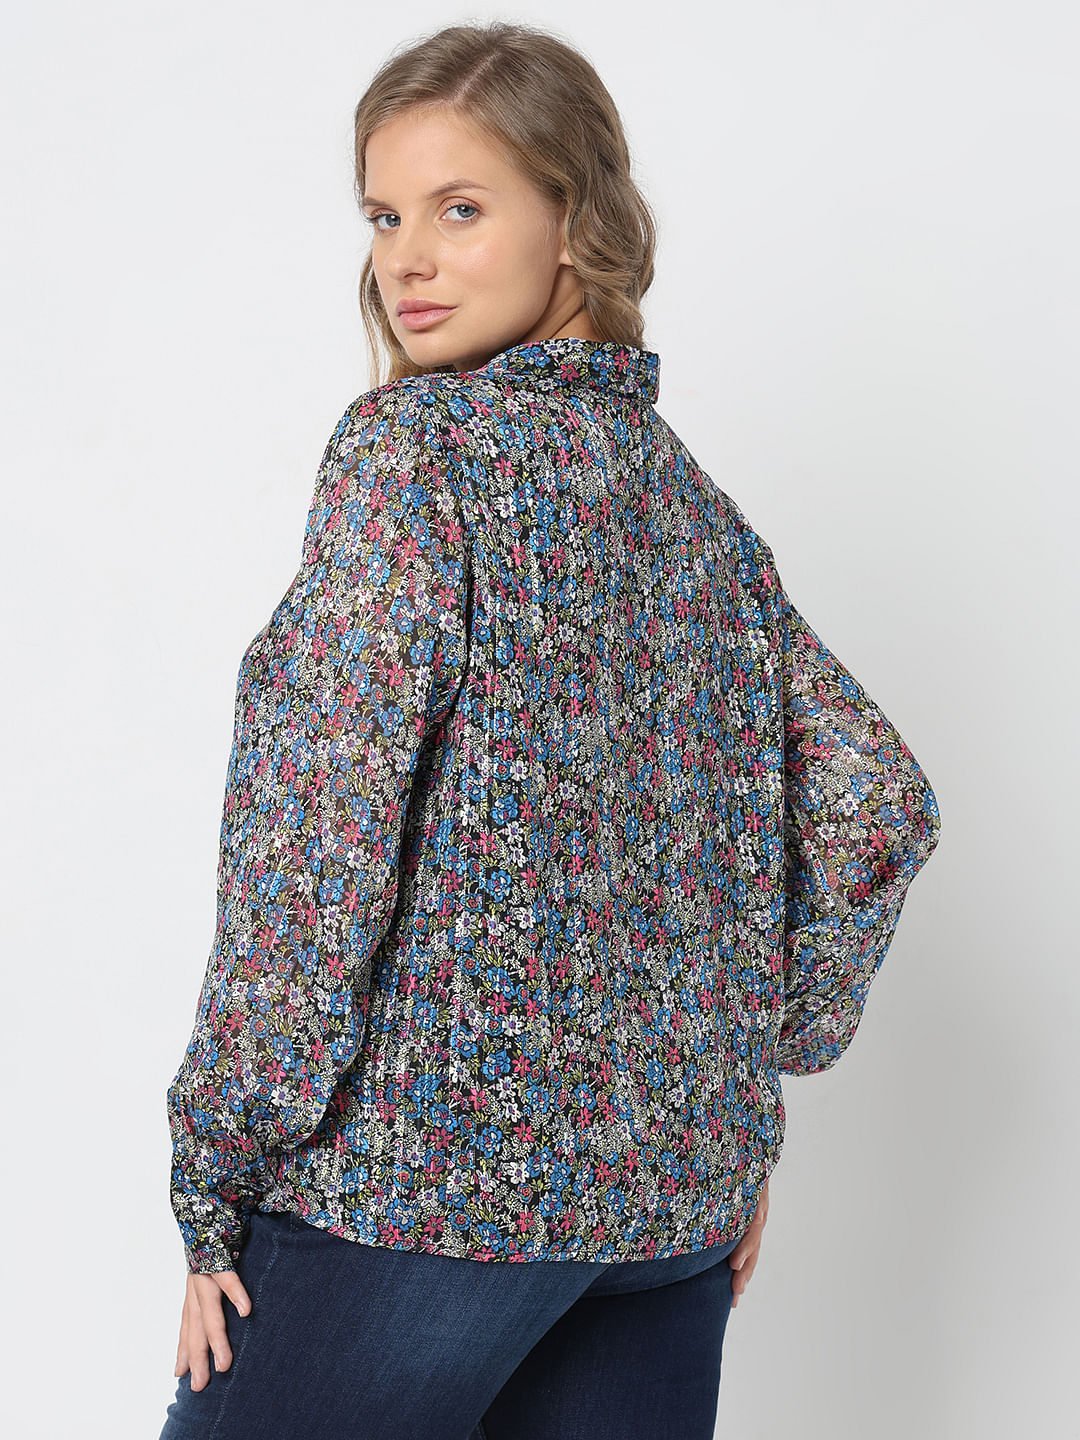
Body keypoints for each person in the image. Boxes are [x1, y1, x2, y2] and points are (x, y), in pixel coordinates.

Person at [159, 20, 942, 1440]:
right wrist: (742, 1076)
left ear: (576, 222)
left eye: (460, 209)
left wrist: (218, 1168)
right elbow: (872, 798)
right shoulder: (691, 508)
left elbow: (316, 835)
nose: (407, 259)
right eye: (386, 215)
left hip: (421, 1199)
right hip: (669, 1214)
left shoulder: (416, 457)